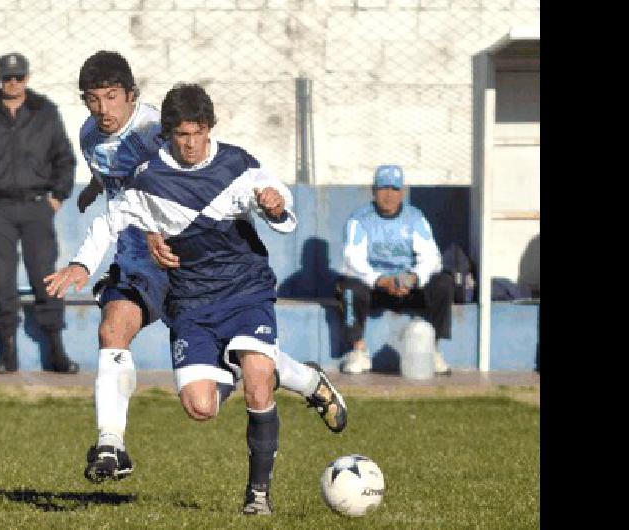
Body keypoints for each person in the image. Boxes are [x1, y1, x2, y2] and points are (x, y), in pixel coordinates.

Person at [43, 53, 346, 487]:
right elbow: (118, 183)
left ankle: (296, 376)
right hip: (137, 248)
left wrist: (155, 230)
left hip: (182, 253)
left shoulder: (154, 132)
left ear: (132, 96)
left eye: (112, 97)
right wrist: (96, 192)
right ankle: (111, 445)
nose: (104, 109)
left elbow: (176, 180)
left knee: (240, 360)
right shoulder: (90, 134)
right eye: (94, 99)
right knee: (114, 331)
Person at [0, 52, 78, 375]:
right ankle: (6, 352)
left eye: (18, 77)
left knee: (44, 275)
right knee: (1, 278)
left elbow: (64, 157)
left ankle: (56, 350)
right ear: (0, 78)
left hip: (36, 206)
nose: (12, 83)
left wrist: (57, 198)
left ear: (26, 77)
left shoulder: (44, 112)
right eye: (7, 77)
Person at [335, 164, 453, 376]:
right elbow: (352, 259)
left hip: (408, 286)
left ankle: (433, 350)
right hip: (375, 288)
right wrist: (382, 280)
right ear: (373, 191)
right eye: (383, 188)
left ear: (402, 192)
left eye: (394, 189)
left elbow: (432, 257)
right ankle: (358, 350)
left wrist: (414, 278)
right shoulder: (359, 219)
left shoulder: (416, 218)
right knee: (348, 288)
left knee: (444, 283)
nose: (389, 195)